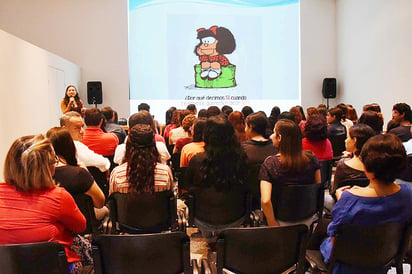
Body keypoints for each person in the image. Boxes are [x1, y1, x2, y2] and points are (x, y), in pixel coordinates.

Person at [320, 134, 412, 274]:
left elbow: (335, 240)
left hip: (345, 265)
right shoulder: (408, 195)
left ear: (366, 166)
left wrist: (342, 197)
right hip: (385, 259)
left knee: (320, 234)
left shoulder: (350, 200)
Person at [0, 134, 87, 273]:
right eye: (54, 161)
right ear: (46, 168)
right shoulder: (58, 196)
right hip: (54, 268)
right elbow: (80, 226)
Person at [185, 116, 248, 240]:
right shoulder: (242, 159)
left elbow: (187, 187)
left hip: (203, 218)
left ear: (206, 136)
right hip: (235, 217)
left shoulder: (197, 160)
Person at [259, 119, 321, 226]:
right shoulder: (312, 159)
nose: (271, 136)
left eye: (274, 133)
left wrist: (272, 224)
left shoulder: (270, 164)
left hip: (280, 221)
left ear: (280, 138)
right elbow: (318, 189)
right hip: (308, 219)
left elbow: (265, 201)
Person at [47, 127, 108, 219]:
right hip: (83, 223)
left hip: (55, 221)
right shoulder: (79, 174)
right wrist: (87, 174)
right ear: (70, 146)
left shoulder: (40, 175)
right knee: (106, 209)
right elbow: (100, 203)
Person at [110, 124, 173, 195]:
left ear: (128, 146)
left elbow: (113, 202)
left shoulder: (117, 174)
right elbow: (170, 200)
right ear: (154, 146)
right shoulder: (165, 172)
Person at [242, 112, 277, 209]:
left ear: (251, 127)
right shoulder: (275, 148)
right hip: (274, 198)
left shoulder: (242, 149)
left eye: (246, 126)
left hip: (248, 199)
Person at [331, 124, 376, 198]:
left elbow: (335, 192)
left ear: (354, 140)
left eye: (348, 137)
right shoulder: (377, 165)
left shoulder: (343, 165)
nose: (345, 140)